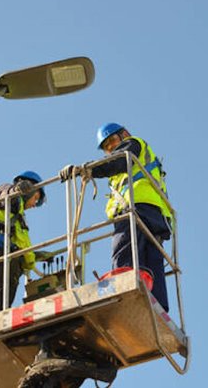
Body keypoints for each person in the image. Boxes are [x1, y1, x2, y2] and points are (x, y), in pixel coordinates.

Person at [59, 123, 173, 311]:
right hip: (154, 214)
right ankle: (159, 307)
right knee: (150, 260)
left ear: (124, 135)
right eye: (106, 147)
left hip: (137, 208)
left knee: (124, 251)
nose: (110, 147)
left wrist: (85, 169)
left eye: (112, 141)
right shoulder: (131, 165)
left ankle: (123, 292)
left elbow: (117, 161)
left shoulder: (132, 145)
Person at [0, 170, 53, 315]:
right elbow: (4, 195)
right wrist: (17, 189)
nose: (34, 204)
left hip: (9, 257)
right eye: (36, 197)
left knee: (2, 303)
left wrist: (36, 256)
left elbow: (20, 245)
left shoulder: (18, 216)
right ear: (29, 189)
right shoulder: (9, 198)